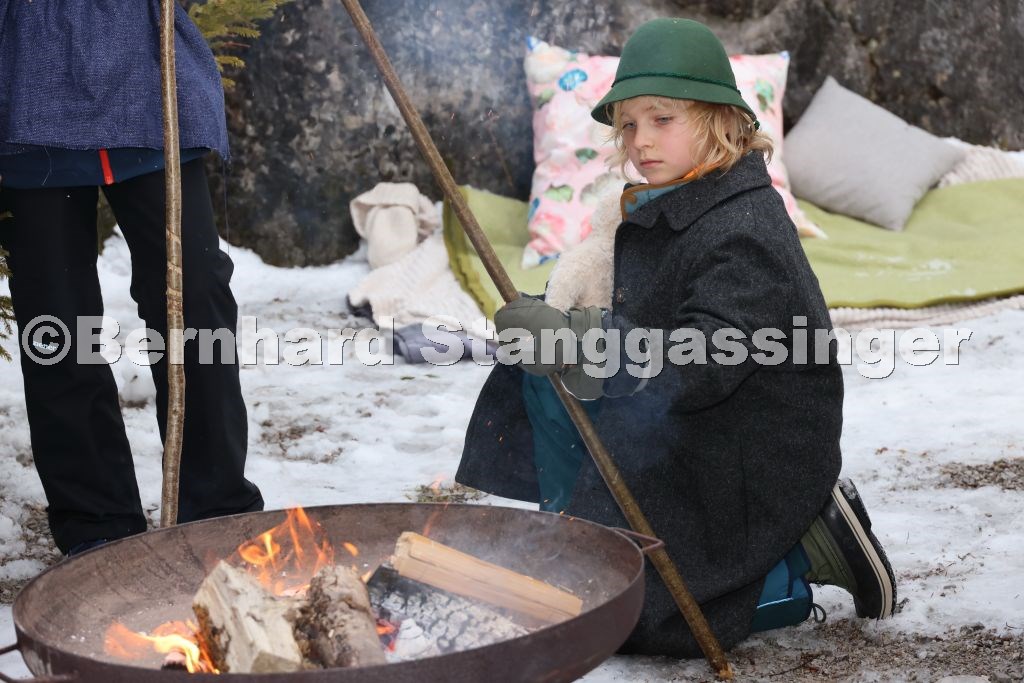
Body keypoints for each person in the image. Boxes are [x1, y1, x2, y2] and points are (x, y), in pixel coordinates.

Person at [456, 18, 896, 656]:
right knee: (544, 375)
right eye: (629, 124)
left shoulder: (745, 227)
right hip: (676, 419)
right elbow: (636, 313)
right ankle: (575, 540)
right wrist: (555, 326)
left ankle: (796, 560)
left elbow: (704, 358)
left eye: (663, 119)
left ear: (720, 120)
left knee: (636, 617)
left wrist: (585, 341)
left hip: (742, 452)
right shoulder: (670, 200)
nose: (641, 140)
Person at [0, 1, 263, 556]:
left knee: (196, 296)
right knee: (56, 319)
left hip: (144, 80)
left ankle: (215, 512)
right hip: (26, 83)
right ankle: (97, 528)